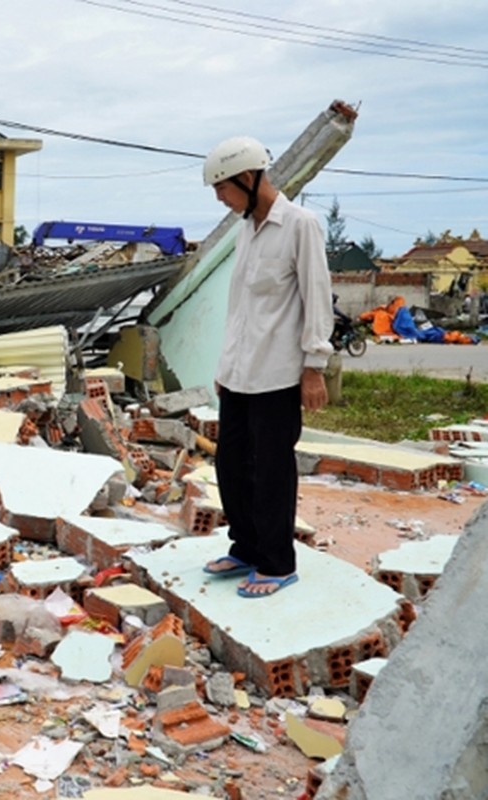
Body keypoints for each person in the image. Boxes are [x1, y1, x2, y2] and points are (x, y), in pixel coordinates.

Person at [200, 136, 333, 598]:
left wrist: (314, 366)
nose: (220, 197)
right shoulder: (246, 230)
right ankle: (246, 547)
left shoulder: (300, 225)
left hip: (278, 374)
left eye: (223, 187)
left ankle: (276, 563)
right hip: (239, 373)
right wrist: (224, 364)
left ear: (249, 177)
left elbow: (317, 299)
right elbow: (239, 306)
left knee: (272, 468)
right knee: (232, 463)